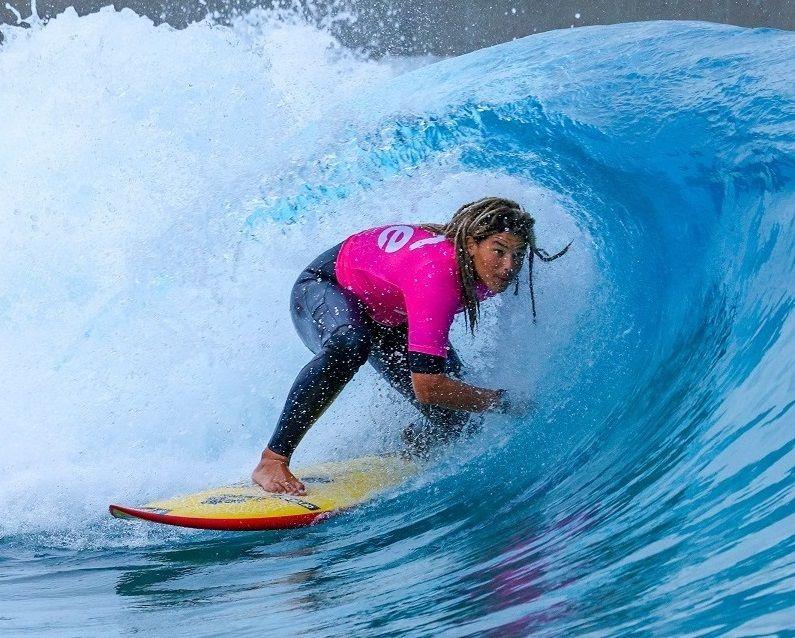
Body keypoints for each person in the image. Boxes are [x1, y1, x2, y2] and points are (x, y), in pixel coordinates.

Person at [252, 197, 570, 495]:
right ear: (472, 244)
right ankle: (272, 460)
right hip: (325, 288)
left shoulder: (478, 263)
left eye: (518, 255)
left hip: (389, 312)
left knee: (462, 419)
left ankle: (410, 445)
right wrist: (502, 401)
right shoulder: (439, 275)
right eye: (498, 252)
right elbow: (428, 387)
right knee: (351, 345)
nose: (508, 266)